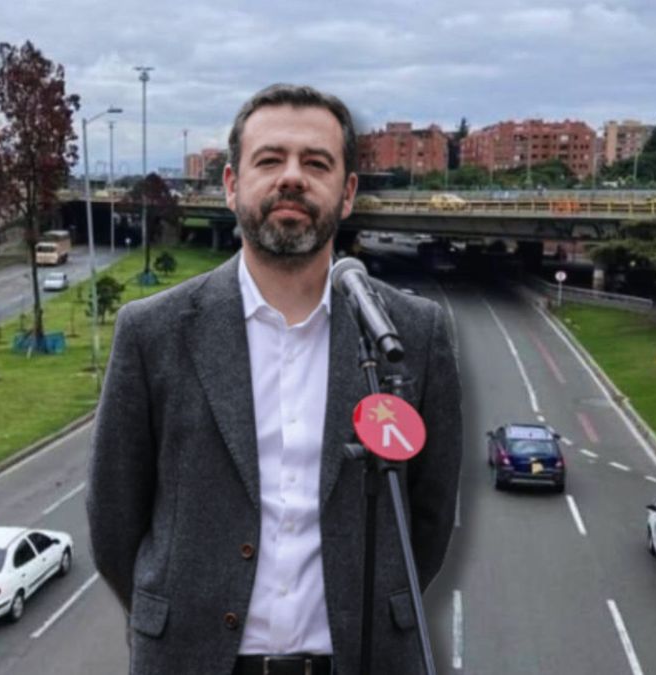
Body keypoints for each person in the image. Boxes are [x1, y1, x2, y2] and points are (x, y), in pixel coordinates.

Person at [87, 84, 461, 675]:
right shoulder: (151, 332)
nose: (292, 177)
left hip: (364, 661)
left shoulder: (412, 333)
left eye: (316, 163)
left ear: (347, 194)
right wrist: (171, 620)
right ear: (233, 186)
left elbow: (430, 517)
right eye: (270, 160)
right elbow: (114, 519)